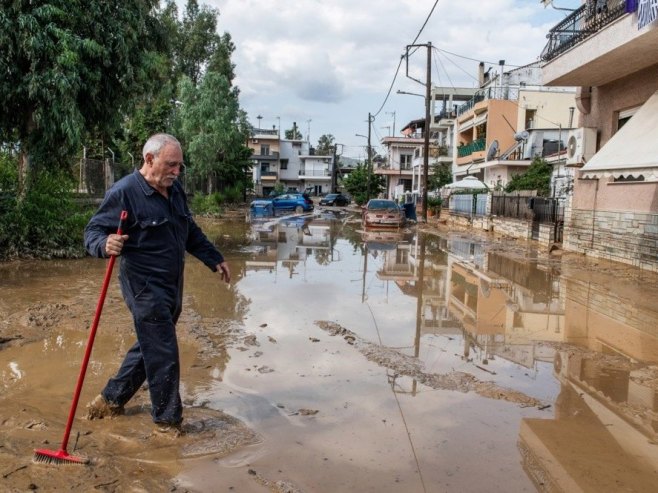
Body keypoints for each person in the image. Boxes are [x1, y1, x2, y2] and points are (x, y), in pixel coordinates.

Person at [84, 133, 230, 435]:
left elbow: (189, 231)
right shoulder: (124, 192)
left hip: (172, 285)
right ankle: (167, 422)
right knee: (164, 352)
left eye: (179, 166)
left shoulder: (174, 191)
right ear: (149, 160)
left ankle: (110, 400)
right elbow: (93, 231)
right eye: (171, 165)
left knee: (150, 345)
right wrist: (104, 243)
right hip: (143, 286)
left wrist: (213, 258)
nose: (177, 172)